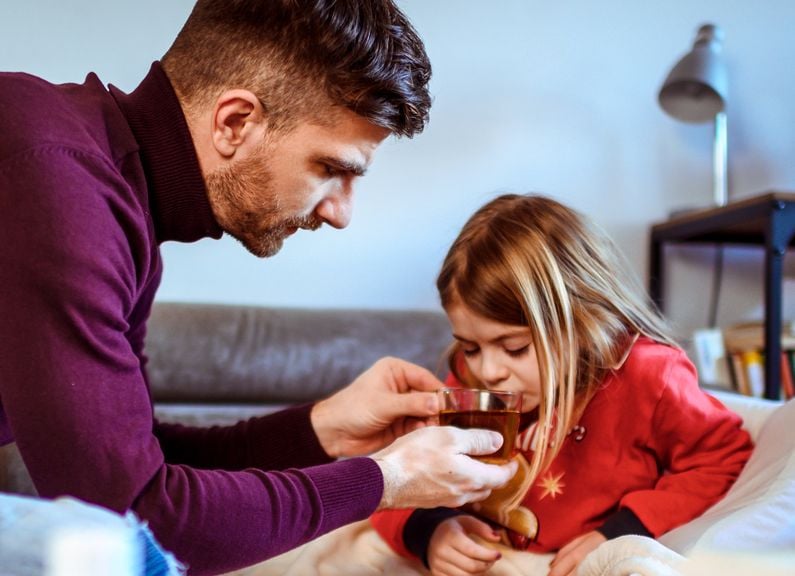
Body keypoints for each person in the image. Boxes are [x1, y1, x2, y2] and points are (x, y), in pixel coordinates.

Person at [0, 2, 518, 574]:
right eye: (331, 168)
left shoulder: (118, 205)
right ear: (235, 123)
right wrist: (386, 479)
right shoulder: (59, 182)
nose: (341, 213)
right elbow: (139, 522)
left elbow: (139, 461)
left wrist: (324, 429)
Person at [370, 194, 755, 576]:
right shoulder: (469, 382)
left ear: (582, 322)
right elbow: (400, 474)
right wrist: (431, 531)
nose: (487, 371)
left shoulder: (648, 375)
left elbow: (722, 458)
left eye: (514, 348)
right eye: (471, 347)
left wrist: (624, 530)